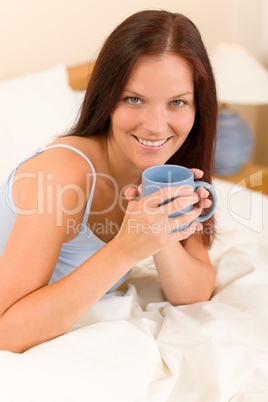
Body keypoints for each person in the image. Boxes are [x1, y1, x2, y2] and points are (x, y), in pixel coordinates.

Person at [0, 10, 217, 353]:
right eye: (134, 99)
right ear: (107, 99)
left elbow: (194, 292)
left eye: (177, 102)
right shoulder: (61, 176)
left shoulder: (172, 170)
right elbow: (4, 333)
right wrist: (124, 249)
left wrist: (159, 230)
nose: (157, 126)